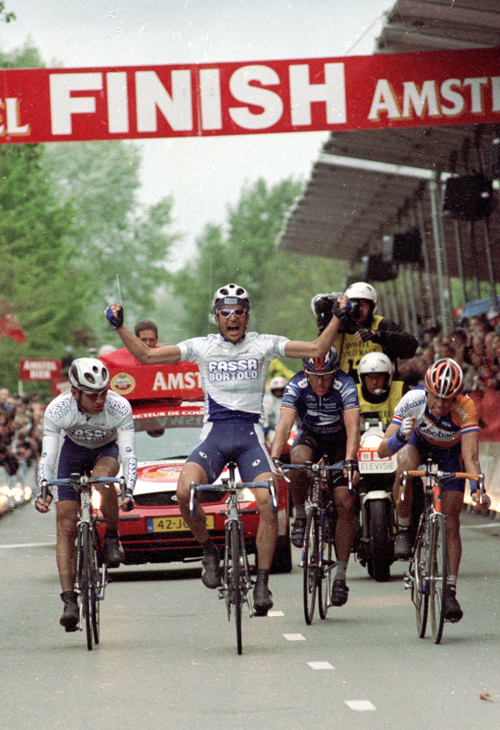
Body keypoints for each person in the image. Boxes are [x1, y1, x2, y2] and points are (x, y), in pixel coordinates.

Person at [105, 282, 349, 616]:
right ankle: (208, 550)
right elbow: (146, 356)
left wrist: (336, 317)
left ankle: (262, 581)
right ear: (216, 318)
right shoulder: (202, 347)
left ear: (247, 316)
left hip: (249, 437)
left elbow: (318, 346)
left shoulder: (264, 344)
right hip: (214, 438)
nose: (232, 318)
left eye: (238, 312)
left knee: (267, 500)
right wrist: (119, 326)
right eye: (225, 313)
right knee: (183, 491)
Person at [377, 358, 491, 622]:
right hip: (416, 444)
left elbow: (471, 458)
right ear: (425, 390)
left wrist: (478, 490)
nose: (439, 405)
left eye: (447, 399)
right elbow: (383, 450)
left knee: (452, 520)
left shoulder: (466, 408)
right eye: (435, 397)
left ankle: (450, 590)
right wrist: (400, 437)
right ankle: (404, 527)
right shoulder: (412, 400)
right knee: (404, 466)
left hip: (451, 453)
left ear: (457, 397)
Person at [35, 358, 137, 632]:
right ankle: (69, 600)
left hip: (106, 451)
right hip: (73, 452)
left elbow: (128, 455)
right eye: (92, 394)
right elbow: (48, 456)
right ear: (75, 392)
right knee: (65, 525)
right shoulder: (58, 409)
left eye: (103, 392)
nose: (100, 399)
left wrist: (129, 488)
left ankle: (112, 536)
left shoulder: (119, 406)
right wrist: (43, 489)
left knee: (103, 481)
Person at [270, 347, 360, 607]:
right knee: (296, 460)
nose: (320, 383)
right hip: (310, 437)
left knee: (345, 501)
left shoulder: (346, 384)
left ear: (335, 372)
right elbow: (285, 424)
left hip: (340, 442)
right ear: (305, 372)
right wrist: (276, 457)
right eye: (314, 376)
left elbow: (353, 425)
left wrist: (351, 460)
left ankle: (341, 576)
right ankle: (300, 514)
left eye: (326, 376)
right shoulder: (296, 383)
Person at [312, 282, 418, 381]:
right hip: (346, 391)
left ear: (372, 307)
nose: (359, 310)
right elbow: (319, 354)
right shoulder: (338, 326)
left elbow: (411, 346)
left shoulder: (381, 324)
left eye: (364, 304)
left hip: (379, 390)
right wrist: (328, 322)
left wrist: (377, 335)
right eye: (355, 305)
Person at [357, 352, 408, 426]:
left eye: (379, 377)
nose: (374, 382)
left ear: (387, 377)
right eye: (370, 377)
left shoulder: (401, 390)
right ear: (362, 379)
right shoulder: (353, 393)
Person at [263, 375, 288, 445]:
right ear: (272, 390)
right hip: (273, 431)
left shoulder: (293, 401)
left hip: (292, 431)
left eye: (282, 390)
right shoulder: (267, 402)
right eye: (277, 390)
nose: (279, 392)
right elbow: (265, 419)